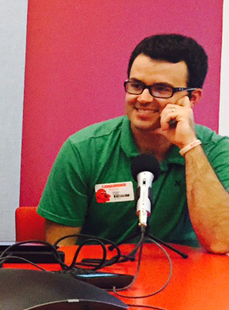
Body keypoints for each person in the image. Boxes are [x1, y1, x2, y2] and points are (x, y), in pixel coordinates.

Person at [38, 34, 229, 254]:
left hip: (189, 282)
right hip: (102, 281)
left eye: (162, 89)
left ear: (192, 98)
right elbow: (62, 254)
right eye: (136, 85)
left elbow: (221, 241)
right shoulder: (83, 149)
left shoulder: (216, 151)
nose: (144, 98)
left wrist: (189, 146)